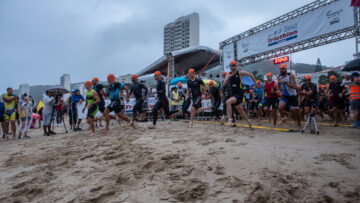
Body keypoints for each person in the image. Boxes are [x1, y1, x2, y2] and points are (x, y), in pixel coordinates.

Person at [223, 60, 255, 128]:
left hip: (239, 94)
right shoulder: (228, 74)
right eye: (230, 65)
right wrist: (226, 79)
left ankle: (230, 119)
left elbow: (251, 74)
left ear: (236, 66)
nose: (231, 66)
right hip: (233, 94)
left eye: (233, 65)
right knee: (241, 111)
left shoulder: (239, 73)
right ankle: (248, 122)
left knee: (228, 102)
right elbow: (224, 84)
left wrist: (255, 83)